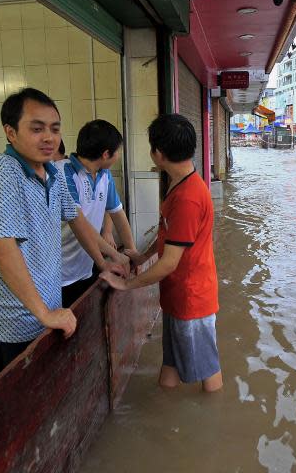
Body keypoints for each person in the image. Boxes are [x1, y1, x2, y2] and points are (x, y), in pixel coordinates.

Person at [0, 88, 126, 383]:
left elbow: (77, 219)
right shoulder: (4, 171)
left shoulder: (51, 173)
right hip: (8, 324)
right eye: (36, 128)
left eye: (54, 129)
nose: (48, 137)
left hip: (43, 314)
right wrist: (44, 313)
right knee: (10, 408)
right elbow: (4, 247)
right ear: (10, 132)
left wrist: (103, 264)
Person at [101, 114, 223, 393]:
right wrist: (142, 257)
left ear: (158, 153)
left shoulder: (188, 198)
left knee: (209, 374)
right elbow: (168, 235)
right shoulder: (179, 184)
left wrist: (127, 284)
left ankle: (212, 425)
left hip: (192, 299)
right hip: (178, 296)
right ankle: (163, 411)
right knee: (170, 365)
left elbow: (169, 263)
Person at [55, 120, 141, 307]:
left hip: (87, 265)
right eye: (116, 151)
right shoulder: (63, 173)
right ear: (105, 154)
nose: (118, 156)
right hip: (59, 274)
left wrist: (131, 251)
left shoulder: (104, 175)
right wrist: (113, 256)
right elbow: (80, 224)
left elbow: (118, 214)